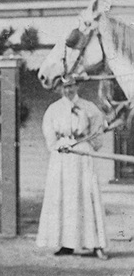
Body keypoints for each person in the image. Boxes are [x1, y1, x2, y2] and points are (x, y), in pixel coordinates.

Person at [35, 75, 109, 259]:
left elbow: (97, 134)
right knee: (63, 196)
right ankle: (66, 244)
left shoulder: (89, 108)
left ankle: (95, 244)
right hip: (62, 154)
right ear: (60, 88)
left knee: (85, 194)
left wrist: (87, 146)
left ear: (77, 86)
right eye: (64, 87)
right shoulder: (54, 109)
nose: (68, 90)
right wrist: (58, 145)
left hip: (82, 153)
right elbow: (49, 132)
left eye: (71, 86)